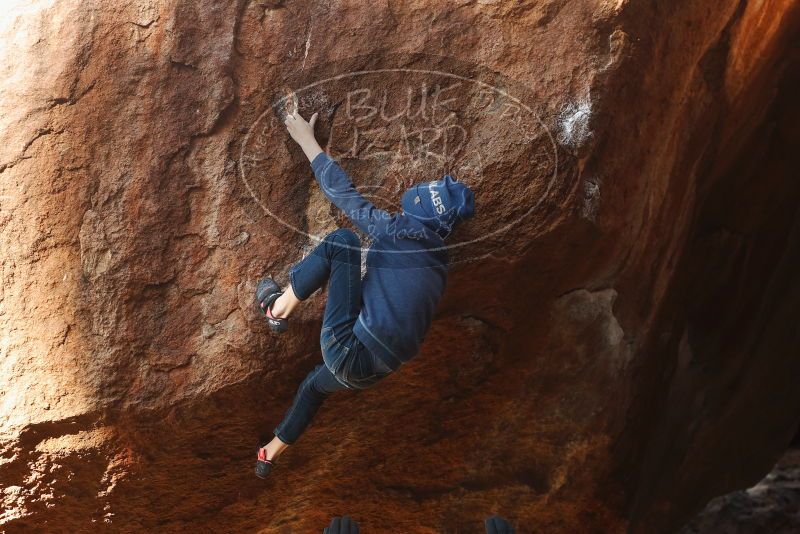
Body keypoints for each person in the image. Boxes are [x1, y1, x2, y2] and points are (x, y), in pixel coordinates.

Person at [254, 110, 475, 479]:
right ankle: (268, 455)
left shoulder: (402, 231)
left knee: (343, 242)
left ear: (423, 206)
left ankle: (276, 309)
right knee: (313, 386)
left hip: (351, 349)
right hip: (372, 372)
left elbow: (345, 197)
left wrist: (308, 143)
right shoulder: (439, 265)